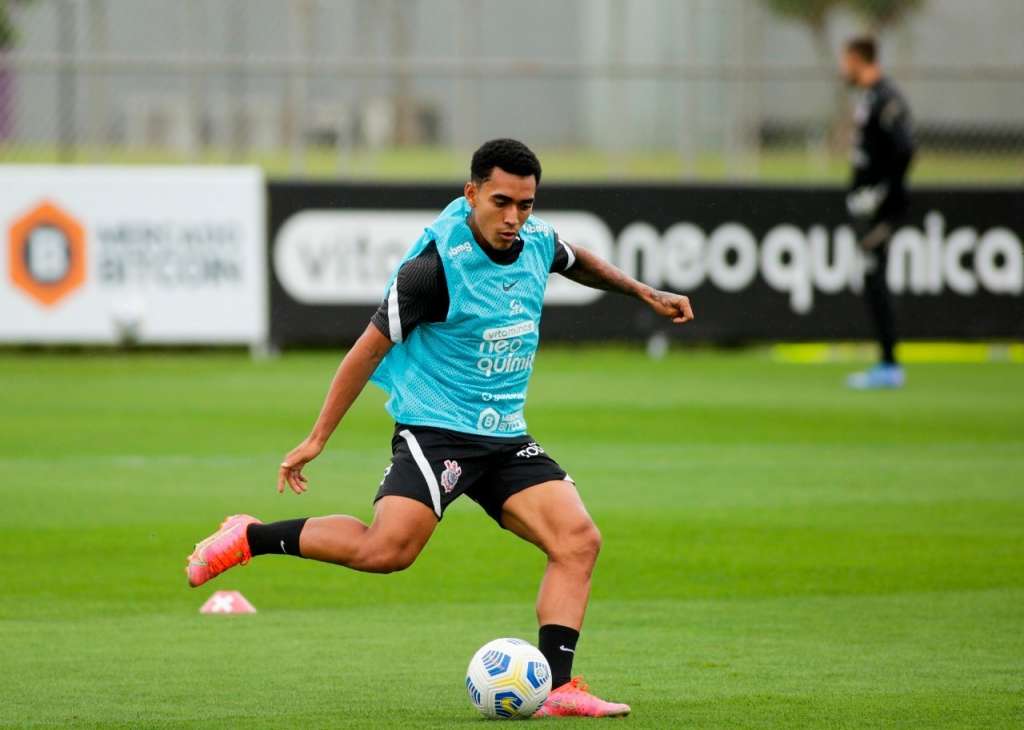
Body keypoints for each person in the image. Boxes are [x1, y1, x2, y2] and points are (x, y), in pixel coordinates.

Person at [185, 139, 694, 718]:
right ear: (471, 193)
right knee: (387, 551)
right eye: (501, 202)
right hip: (436, 429)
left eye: (526, 204)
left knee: (578, 541)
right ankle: (250, 537)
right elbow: (365, 351)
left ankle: (557, 688)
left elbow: (576, 260)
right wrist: (317, 438)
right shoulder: (431, 272)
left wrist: (644, 292)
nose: (514, 218)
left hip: (504, 434)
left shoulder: (535, 241)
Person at [841, 36, 916, 389]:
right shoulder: (869, 98)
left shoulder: (887, 98)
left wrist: (882, 191)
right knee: (873, 279)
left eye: (846, 61)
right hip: (868, 205)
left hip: (883, 209)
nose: (843, 69)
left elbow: (905, 148)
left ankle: (889, 364)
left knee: (876, 277)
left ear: (858, 60)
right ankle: (886, 362)